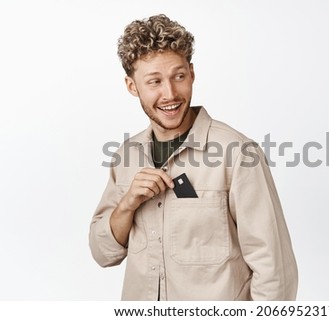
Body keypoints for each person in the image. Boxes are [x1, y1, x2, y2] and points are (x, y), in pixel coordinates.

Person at [89, 14, 298, 301]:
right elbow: (103, 253)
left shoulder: (238, 154)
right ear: (131, 86)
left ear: (192, 73)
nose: (170, 94)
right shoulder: (125, 157)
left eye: (179, 76)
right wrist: (127, 205)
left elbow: (275, 270)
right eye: (154, 81)